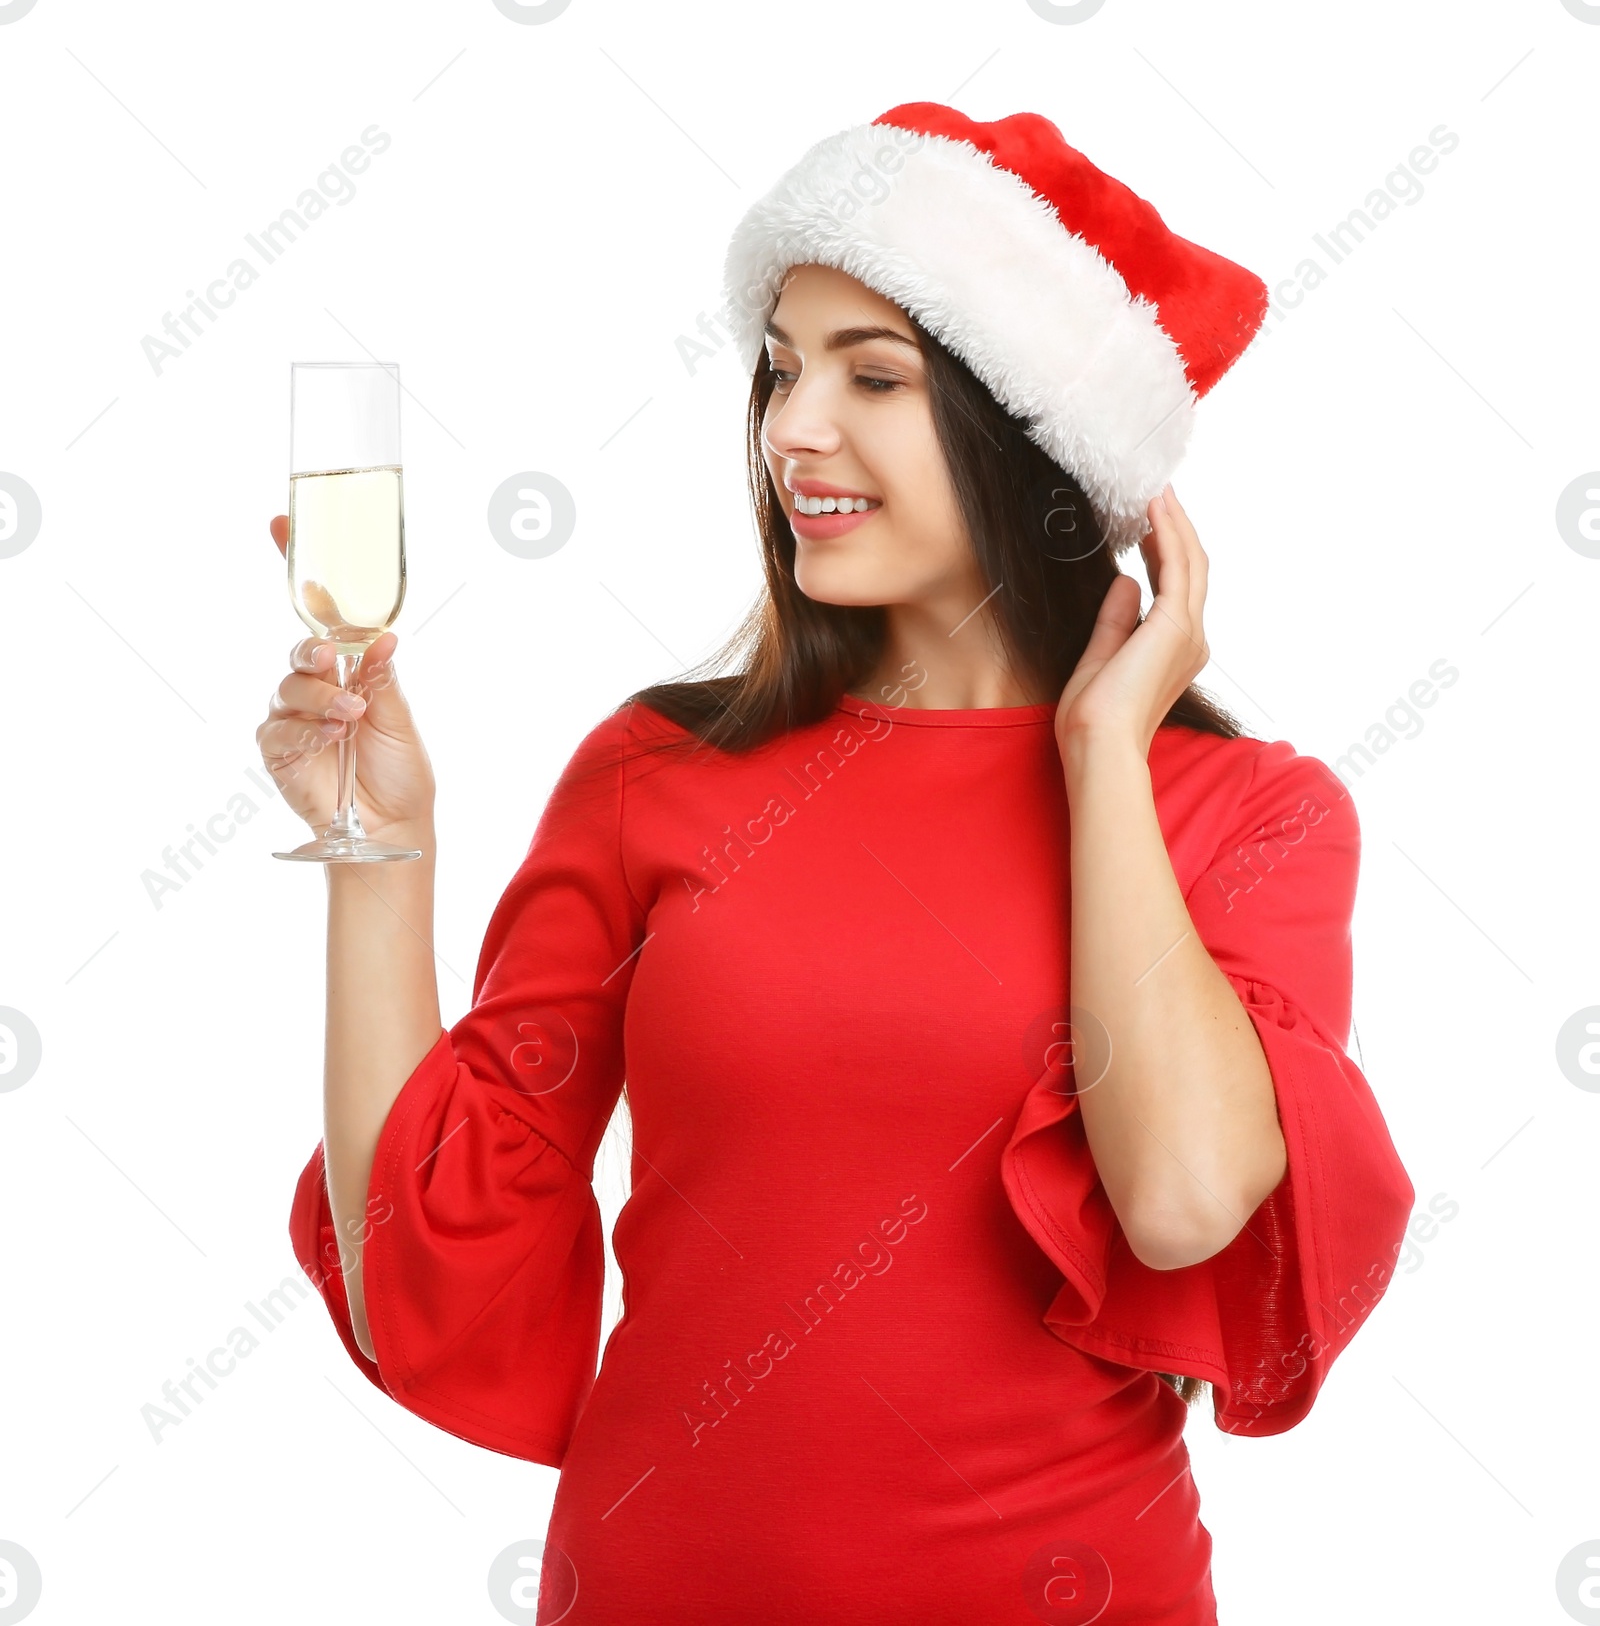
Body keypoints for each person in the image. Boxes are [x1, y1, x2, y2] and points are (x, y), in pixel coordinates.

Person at [260, 103, 1414, 1625]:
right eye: (785, 368)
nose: (794, 426)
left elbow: (1187, 1198)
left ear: (1037, 440)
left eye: (874, 375)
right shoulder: (650, 774)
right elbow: (426, 1256)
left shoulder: (1246, 813)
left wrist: (1104, 757)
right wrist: (377, 850)